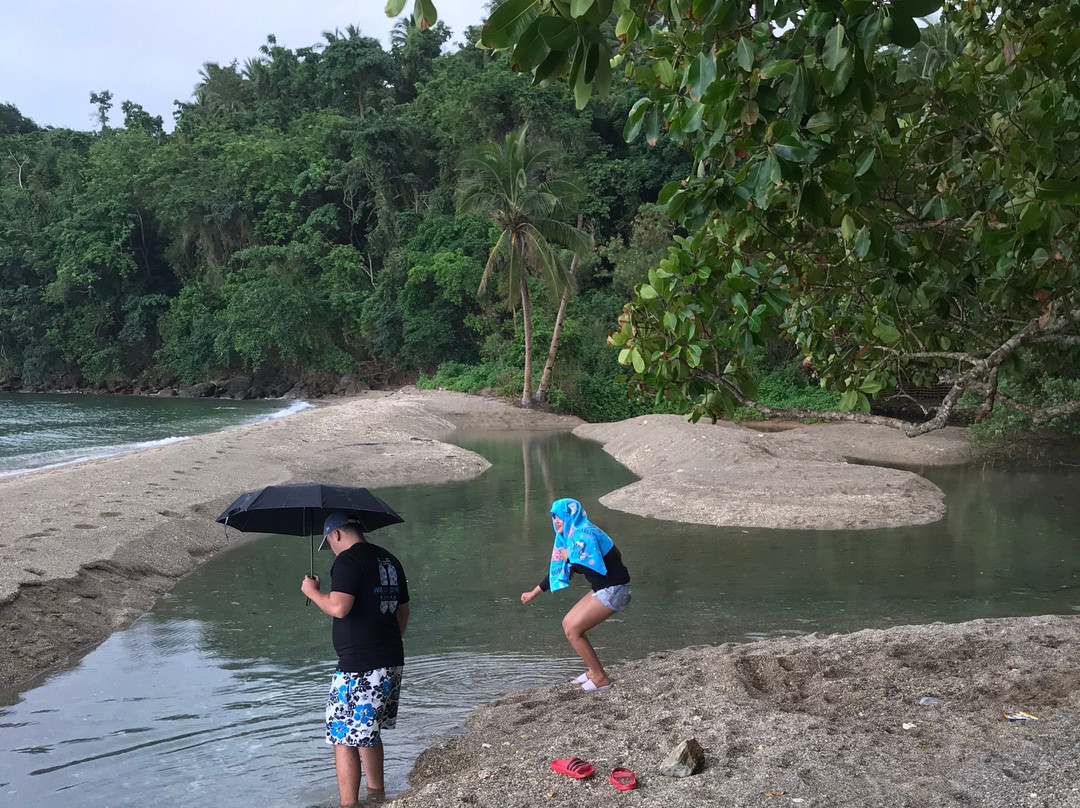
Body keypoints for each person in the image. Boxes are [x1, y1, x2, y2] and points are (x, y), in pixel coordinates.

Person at [301, 511, 410, 807]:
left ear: (335, 534)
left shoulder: (348, 560)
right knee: (368, 732)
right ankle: (377, 794)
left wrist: (314, 592)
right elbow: (403, 611)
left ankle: (348, 805)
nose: (331, 550)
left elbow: (339, 607)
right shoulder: (389, 559)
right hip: (389, 659)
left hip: (360, 665)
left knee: (343, 737)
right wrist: (385, 641)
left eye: (329, 543)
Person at [520, 498, 631, 692]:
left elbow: (588, 564)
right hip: (603, 588)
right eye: (553, 517)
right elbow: (558, 569)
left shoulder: (584, 533)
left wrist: (569, 556)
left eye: (559, 517)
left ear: (570, 515)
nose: (555, 521)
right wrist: (533, 593)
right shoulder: (569, 536)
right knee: (567, 624)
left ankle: (600, 678)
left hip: (615, 589)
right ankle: (592, 671)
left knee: (573, 630)